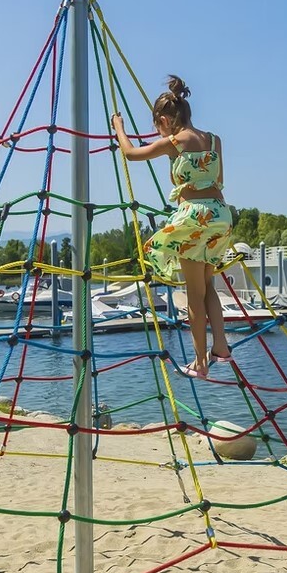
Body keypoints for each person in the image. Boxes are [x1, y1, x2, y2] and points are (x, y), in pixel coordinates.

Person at [111, 75, 234, 379]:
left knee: (193, 293)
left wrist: (119, 128)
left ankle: (200, 362)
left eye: (158, 127)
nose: (158, 132)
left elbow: (131, 154)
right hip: (220, 215)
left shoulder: (175, 142)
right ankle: (220, 347)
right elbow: (218, 180)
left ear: (165, 121)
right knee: (207, 286)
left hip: (194, 218)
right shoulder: (214, 140)